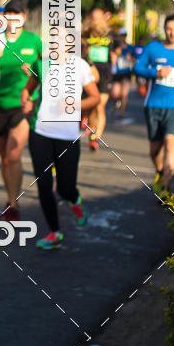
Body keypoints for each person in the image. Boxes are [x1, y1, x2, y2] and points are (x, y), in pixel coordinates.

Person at [21, 55, 100, 249]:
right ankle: (54, 233)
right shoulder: (40, 64)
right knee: (44, 184)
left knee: (65, 189)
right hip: (40, 132)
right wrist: (25, 98)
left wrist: (73, 105)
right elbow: (28, 89)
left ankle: (75, 200)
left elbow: (95, 98)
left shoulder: (80, 66)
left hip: (67, 136)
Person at [0, 0, 41, 221]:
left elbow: (47, 69)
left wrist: (33, 74)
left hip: (23, 104)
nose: (12, 17)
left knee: (13, 155)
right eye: (8, 14)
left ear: (23, 18)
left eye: (17, 14)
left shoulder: (34, 40)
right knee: (5, 158)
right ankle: (11, 197)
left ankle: (13, 205)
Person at [133, 14, 174, 200]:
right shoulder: (153, 48)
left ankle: (165, 189)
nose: (172, 33)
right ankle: (160, 171)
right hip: (153, 105)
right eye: (169, 29)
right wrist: (157, 72)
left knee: (171, 143)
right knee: (154, 149)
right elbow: (136, 67)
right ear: (164, 29)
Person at [83, 9, 120, 151]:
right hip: (90, 72)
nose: (96, 21)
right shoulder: (86, 33)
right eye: (94, 18)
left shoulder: (110, 34)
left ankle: (95, 138)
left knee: (100, 106)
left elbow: (118, 47)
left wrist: (115, 54)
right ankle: (92, 132)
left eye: (99, 18)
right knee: (92, 106)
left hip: (105, 74)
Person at [110, 28, 133, 119]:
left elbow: (135, 59)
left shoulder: (130, 47)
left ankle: (121, 114)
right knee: (115, 94)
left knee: (124, 94)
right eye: (121, 35)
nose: (122, 37)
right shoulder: (113, 47)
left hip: (126, 73)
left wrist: (130, 58)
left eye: (124, 35)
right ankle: (116, 102)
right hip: (116, 73)